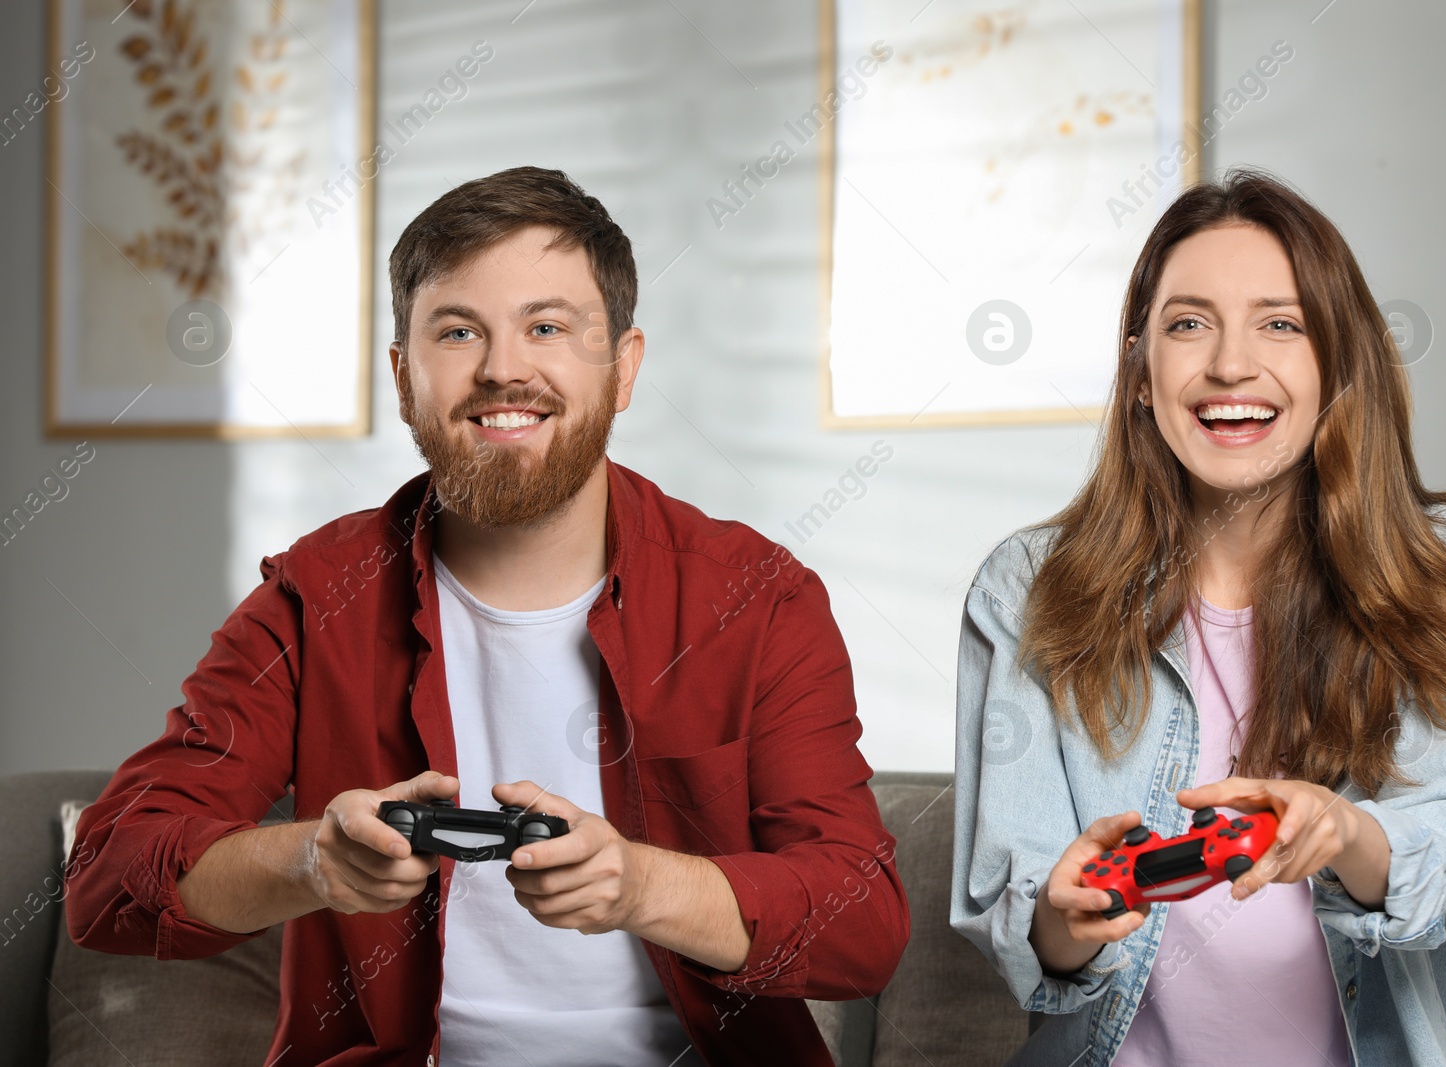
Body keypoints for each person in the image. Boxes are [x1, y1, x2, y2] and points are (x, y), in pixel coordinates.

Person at [65, 165, 909, 1066]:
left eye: (547, 326)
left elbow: (863, 922)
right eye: (459, 330)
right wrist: (315, 861)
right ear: (402, 376)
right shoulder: (317, 596)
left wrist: (641, 884)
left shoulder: (757, 598)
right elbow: (109, 877)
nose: (504, 368)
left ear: (623, 369)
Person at [951, 168, 1446, 1067]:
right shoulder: (1030, 590)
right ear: (1141, 374)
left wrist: (1342, 832)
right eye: (1188, 324)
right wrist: (1064, 915)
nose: (1230, 364)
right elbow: (1030, 932)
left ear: (1339, 365)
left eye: (1281, 323)